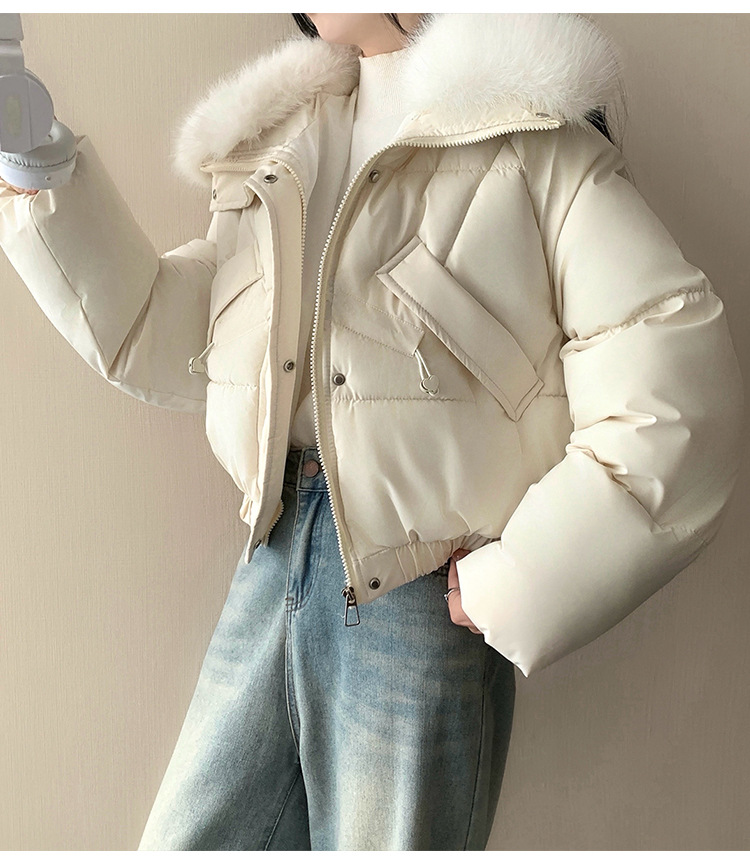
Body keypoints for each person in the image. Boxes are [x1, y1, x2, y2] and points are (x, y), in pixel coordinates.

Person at [0, 12, 743, 852]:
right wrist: (34, 160)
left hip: (416, 587)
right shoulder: (284, 141)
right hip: (273, 551)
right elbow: (184, 341)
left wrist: (524, 579)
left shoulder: (533, 138)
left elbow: (678, 392)